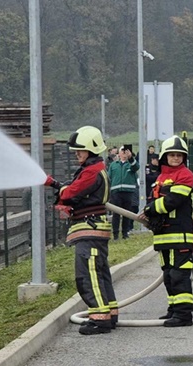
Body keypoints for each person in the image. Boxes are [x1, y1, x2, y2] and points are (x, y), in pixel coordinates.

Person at [44, 126, 118, 335]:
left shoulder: (92, 171)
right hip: (93, 229)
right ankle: (109, 314)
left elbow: (72, 192)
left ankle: (99, 319)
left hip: (90, 229)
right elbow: (72, 190)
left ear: (92, 150)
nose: (77, 154)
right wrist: (57, 186)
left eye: (80, 151)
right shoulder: (93, 169)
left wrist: (60, 191)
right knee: (100, 274)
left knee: (88, 275)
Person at [139, 135, 193, 327]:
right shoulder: (160, 178)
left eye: (179, 155)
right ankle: (173, 310)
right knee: (169, 276)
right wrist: (148, 211)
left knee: (179, 276)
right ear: (165, 157)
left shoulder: (186, 175)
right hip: (163, 237)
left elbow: (171, 202)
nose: (176, 158)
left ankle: (183, 315)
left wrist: (150, 209)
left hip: (180, 236)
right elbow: (152, 201)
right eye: (172, 155)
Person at [107, 145, 139, 240]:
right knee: (116, 214)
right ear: (119, 153)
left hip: (128, 192)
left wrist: (130, 158)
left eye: (126, 151)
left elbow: (136, 167)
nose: (124, 153)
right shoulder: (113, 165)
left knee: (126, 213)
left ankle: (125, 233)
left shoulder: (131, 164)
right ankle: (116, 234)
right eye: (123, 151)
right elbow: (109, 177)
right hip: (116, 192)